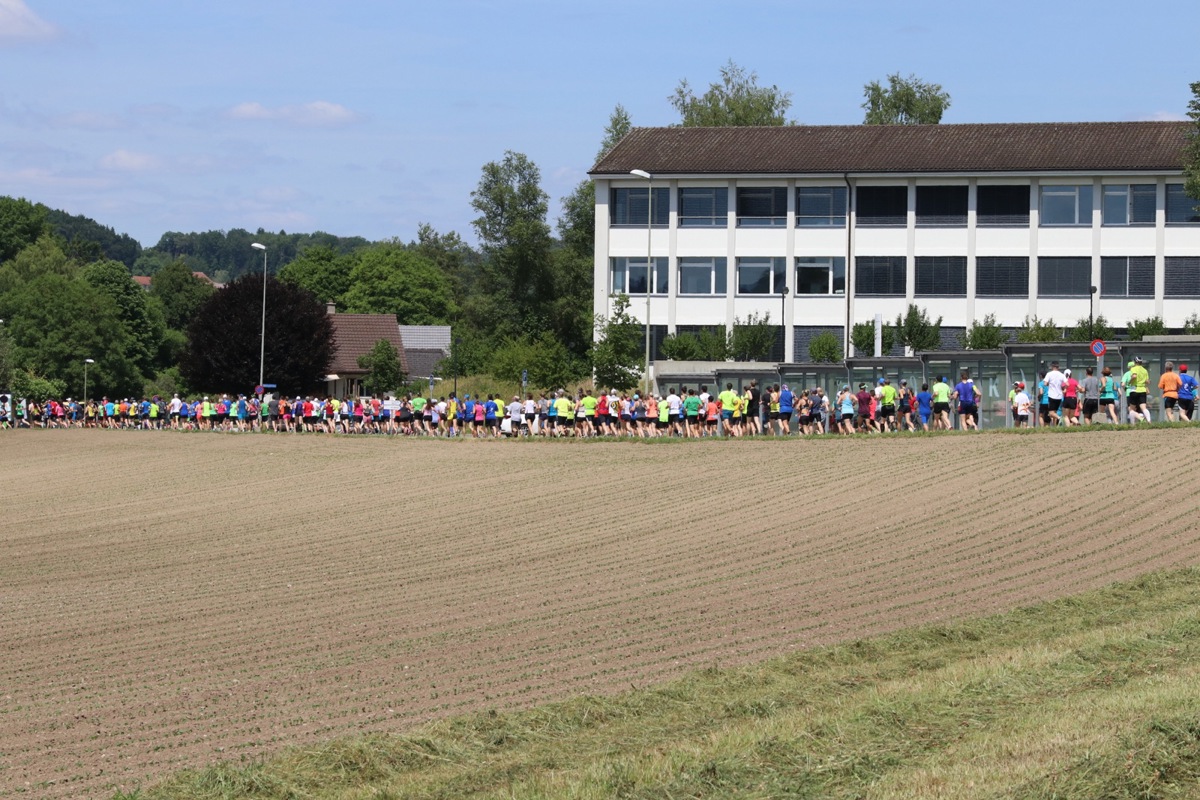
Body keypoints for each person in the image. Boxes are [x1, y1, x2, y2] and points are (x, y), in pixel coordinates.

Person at [1129, 356, 1151, 422]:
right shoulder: (1145, 370)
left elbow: (1134, 376)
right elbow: (1147, 381)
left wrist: (1129, 382)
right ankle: (1149, 420)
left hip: (1134, 389)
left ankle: (1134, 423)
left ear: (1135, 362)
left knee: (1132, 409)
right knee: (1144, 408)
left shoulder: (1133, 368)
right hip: (1142, 390)